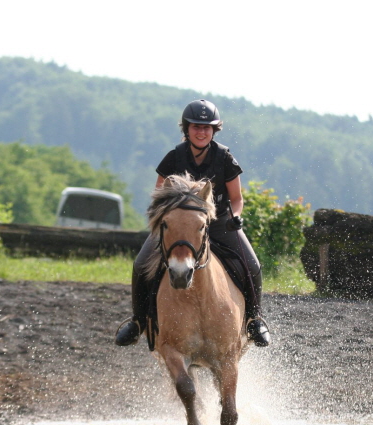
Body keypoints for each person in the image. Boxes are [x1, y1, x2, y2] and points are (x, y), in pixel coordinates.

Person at [114, 99, 271, 347]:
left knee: (252, 264)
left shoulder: (225, 158)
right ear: (186, 129)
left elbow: (237, 199)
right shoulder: (173, 158)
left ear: (214, 131)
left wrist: (235, 217)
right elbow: (158, 198)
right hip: (177, 227)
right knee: (141, 264)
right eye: (196, 126)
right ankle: (138, 321)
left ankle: (254, 320)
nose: (201, 131)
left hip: (218, 224)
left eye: (207, 127)